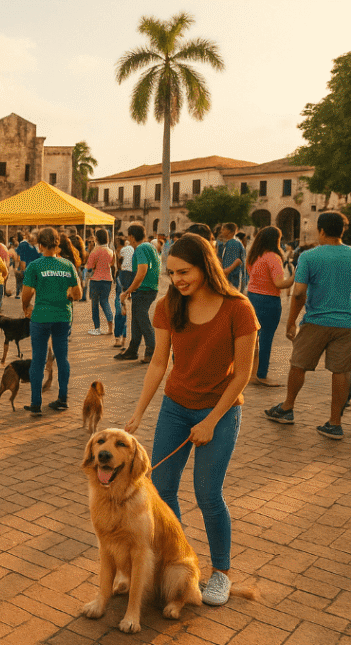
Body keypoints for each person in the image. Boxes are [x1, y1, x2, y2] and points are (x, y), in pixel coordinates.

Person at [125, 234, 258, 606]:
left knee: (207, 493)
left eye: (184, 271)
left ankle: (222, 574)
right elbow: (157, 363)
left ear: (206, 265)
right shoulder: (169, 305)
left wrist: (213, 420)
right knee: (161, 489)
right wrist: (139, 412)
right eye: (171, 273)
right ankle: (181, 561)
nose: (178, 280)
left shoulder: (238, 307)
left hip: (221, 409)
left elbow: (243, 374)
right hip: (176, 406)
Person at [265, 212, 351, 440]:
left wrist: (291, 321)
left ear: (321, 231)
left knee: (298, 364)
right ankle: (335, 423)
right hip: (347, 323)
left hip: (316, 321)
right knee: (341, 371)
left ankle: (287, 408)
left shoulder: (309, 256)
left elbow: (299, 293)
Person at [20, 228, 82, 415]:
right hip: (63, 316)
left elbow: (27, 293)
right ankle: (63, 398)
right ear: (57, 244)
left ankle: (36, 403)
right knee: (62, 358)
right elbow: (78, 293)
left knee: (38, 360)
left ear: (40, 244)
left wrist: (26, 307)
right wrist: (67, 296)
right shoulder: (68, 265)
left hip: (41, 316)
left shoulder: (35, 266)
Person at [245, 226, 295, 387]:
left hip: (252, 297)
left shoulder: (254, 256)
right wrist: (295, 276)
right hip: (269, 300)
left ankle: (250, 372)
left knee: (254, 338)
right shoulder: (273, 257)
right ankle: (261, 374)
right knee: (266, 338)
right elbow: (279, 283)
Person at [116, 223, 160, 362]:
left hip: (144, 289)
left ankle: (151, 350)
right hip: (147, 289)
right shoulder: (149, 247)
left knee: (142, 319)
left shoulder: (141, 248)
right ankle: (132, 350)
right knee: (136, 320)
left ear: (132, 237)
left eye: (129, 236)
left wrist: (128, 290)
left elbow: (142, 271)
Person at [85, 228, 115, 336]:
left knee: (95, 304)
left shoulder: (95, 251)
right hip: (107, 280)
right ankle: (110, 327)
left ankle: (97, 328)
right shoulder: (110, 251)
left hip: (96, 280)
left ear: (96, 239)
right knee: (105, 302)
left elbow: (89, 267)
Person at [217, 222, 247, 292]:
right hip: (234, 280)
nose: (221, 231)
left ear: (230, 231)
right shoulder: (235, 242)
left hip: (231, 281)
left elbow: (228, 268)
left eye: (224, 229)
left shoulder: (232, 244)